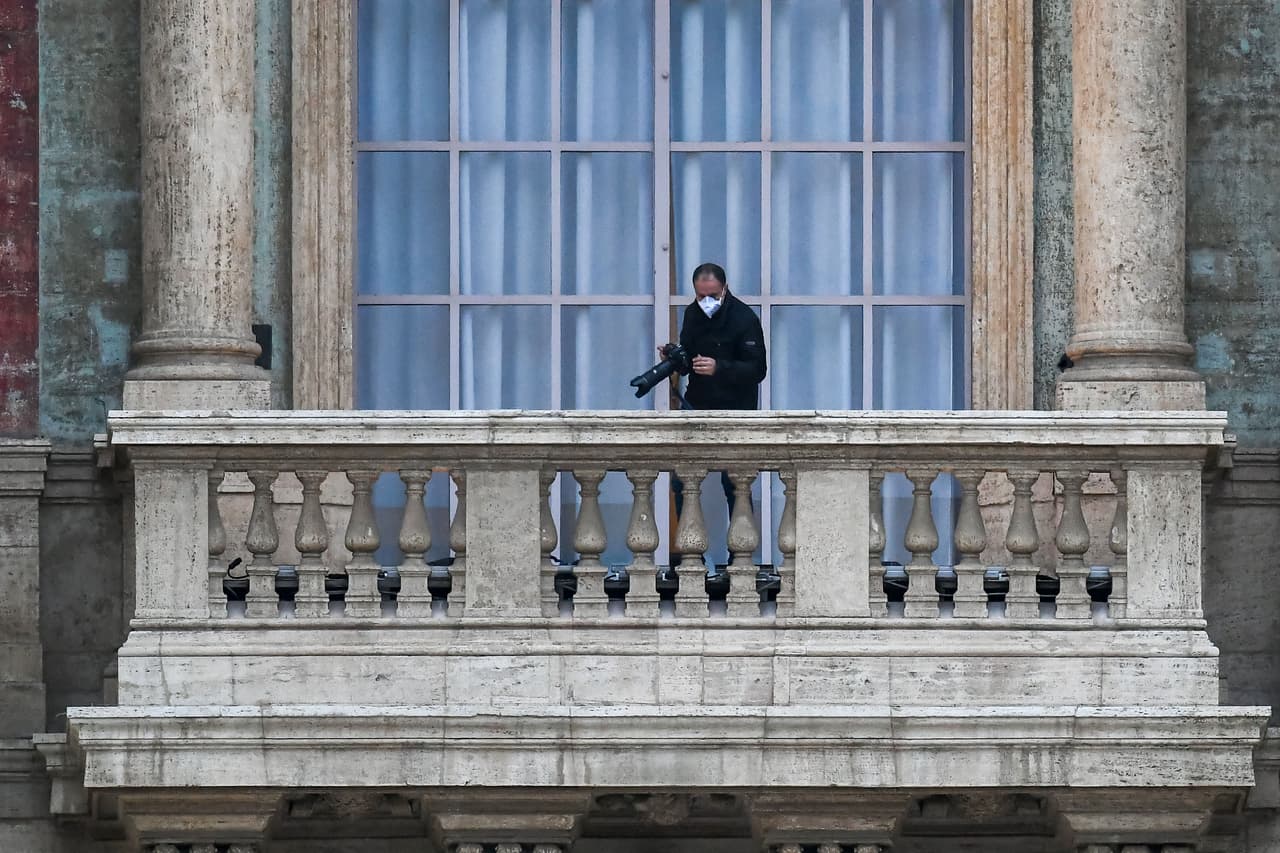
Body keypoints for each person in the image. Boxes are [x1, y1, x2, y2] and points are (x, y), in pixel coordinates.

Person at [667, 263, 767, 574]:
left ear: (724, 289)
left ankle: (741, 557)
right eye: (700, 295)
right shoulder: (693, 314)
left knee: (736, 483)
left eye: (711, 295)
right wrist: (675, 358)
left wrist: (720, 367)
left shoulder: (744, 318)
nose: (706, 300)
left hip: (736, 408)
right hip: (697, 405)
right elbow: (688, 362)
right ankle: (692, 556)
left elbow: (757, 369)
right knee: (682, 479)